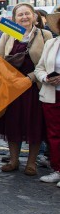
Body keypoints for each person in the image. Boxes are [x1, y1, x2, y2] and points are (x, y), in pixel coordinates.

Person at [0, 3, 52, 176]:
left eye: (27, 14)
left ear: (34, 16)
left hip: (34, 87)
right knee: (13, 123)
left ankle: (31, 162)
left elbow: (48, 62)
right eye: (20, 15)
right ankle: (13, 160)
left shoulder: (45, 34)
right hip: (12, 87)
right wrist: (11, 78)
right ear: (14, 18)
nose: (24, 17)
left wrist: (29, 79)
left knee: (34, 124)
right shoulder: (8, 34)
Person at [35, 12, 60, 186]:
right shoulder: (52, 43)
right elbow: (40, 68)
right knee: (54, 133)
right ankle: (57, 169)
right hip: (52, 94)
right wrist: (45, 78)